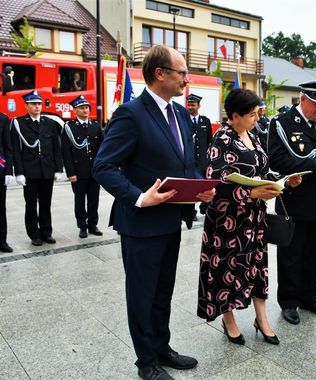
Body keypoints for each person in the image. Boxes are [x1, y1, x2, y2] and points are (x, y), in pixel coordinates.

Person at [93, 45, 215, 380]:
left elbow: (186, 163)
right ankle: (146, 361)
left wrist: (198, 187)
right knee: (142, 293)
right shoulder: (131, 114)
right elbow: (103, 166)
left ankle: (162, 347)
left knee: (163, 291)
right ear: (160, 73)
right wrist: (137, 197)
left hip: (170, 220)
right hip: (141, 224)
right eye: (182, 73)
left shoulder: (178, 115)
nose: (187, 80)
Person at [197, 88, 302, 345]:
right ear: (235, 115)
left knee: (257, 269)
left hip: (254, 220)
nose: (257, 119)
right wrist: (252, 192)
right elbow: (216, 182)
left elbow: (263, 170)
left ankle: (261, 318)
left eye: (257, 114)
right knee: (225, 271)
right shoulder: (221, 139)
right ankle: (228, 318)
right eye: (252, 114)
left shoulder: (253, 136)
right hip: (227, 221)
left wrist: (284, 183)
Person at [267, 79, 316, 325]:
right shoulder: (282, 123)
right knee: (291, 255)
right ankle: (289, 302)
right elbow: (276, 161)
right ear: (302, 99)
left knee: (314, 254)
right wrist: (313, 164)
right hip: (296, 200)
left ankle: (310, 297)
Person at [11, 90, 64, 246]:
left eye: (39, 104)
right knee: (31, 204)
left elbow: (56, 147)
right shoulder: (19, 123)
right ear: (26, 105)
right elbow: (16, 150)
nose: (37, 107)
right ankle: (34, 233)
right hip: (30, 172)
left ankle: (46, 232)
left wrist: (58, 168)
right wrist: (19, 172)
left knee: (46, 204)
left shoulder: (49, 123)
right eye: (33, 104)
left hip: (46, 170)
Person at [62, 95, 104, 238]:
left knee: (94, 199)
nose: (85, 110)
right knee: (79, 200)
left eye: (86, 107)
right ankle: (82, 226)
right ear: (75, 111)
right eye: (81, 108)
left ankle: (93, 225)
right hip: (78, 172)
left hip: (94, 171)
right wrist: (70, 172)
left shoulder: (95, 126)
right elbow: (66, 152)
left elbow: (102, 148)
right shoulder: (69, 127)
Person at [0, 112, 13, 252]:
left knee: (1, 208)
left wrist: (9, 171)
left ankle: (2, 240)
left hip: (0, 168)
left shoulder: (3, 119)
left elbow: (8, 147)